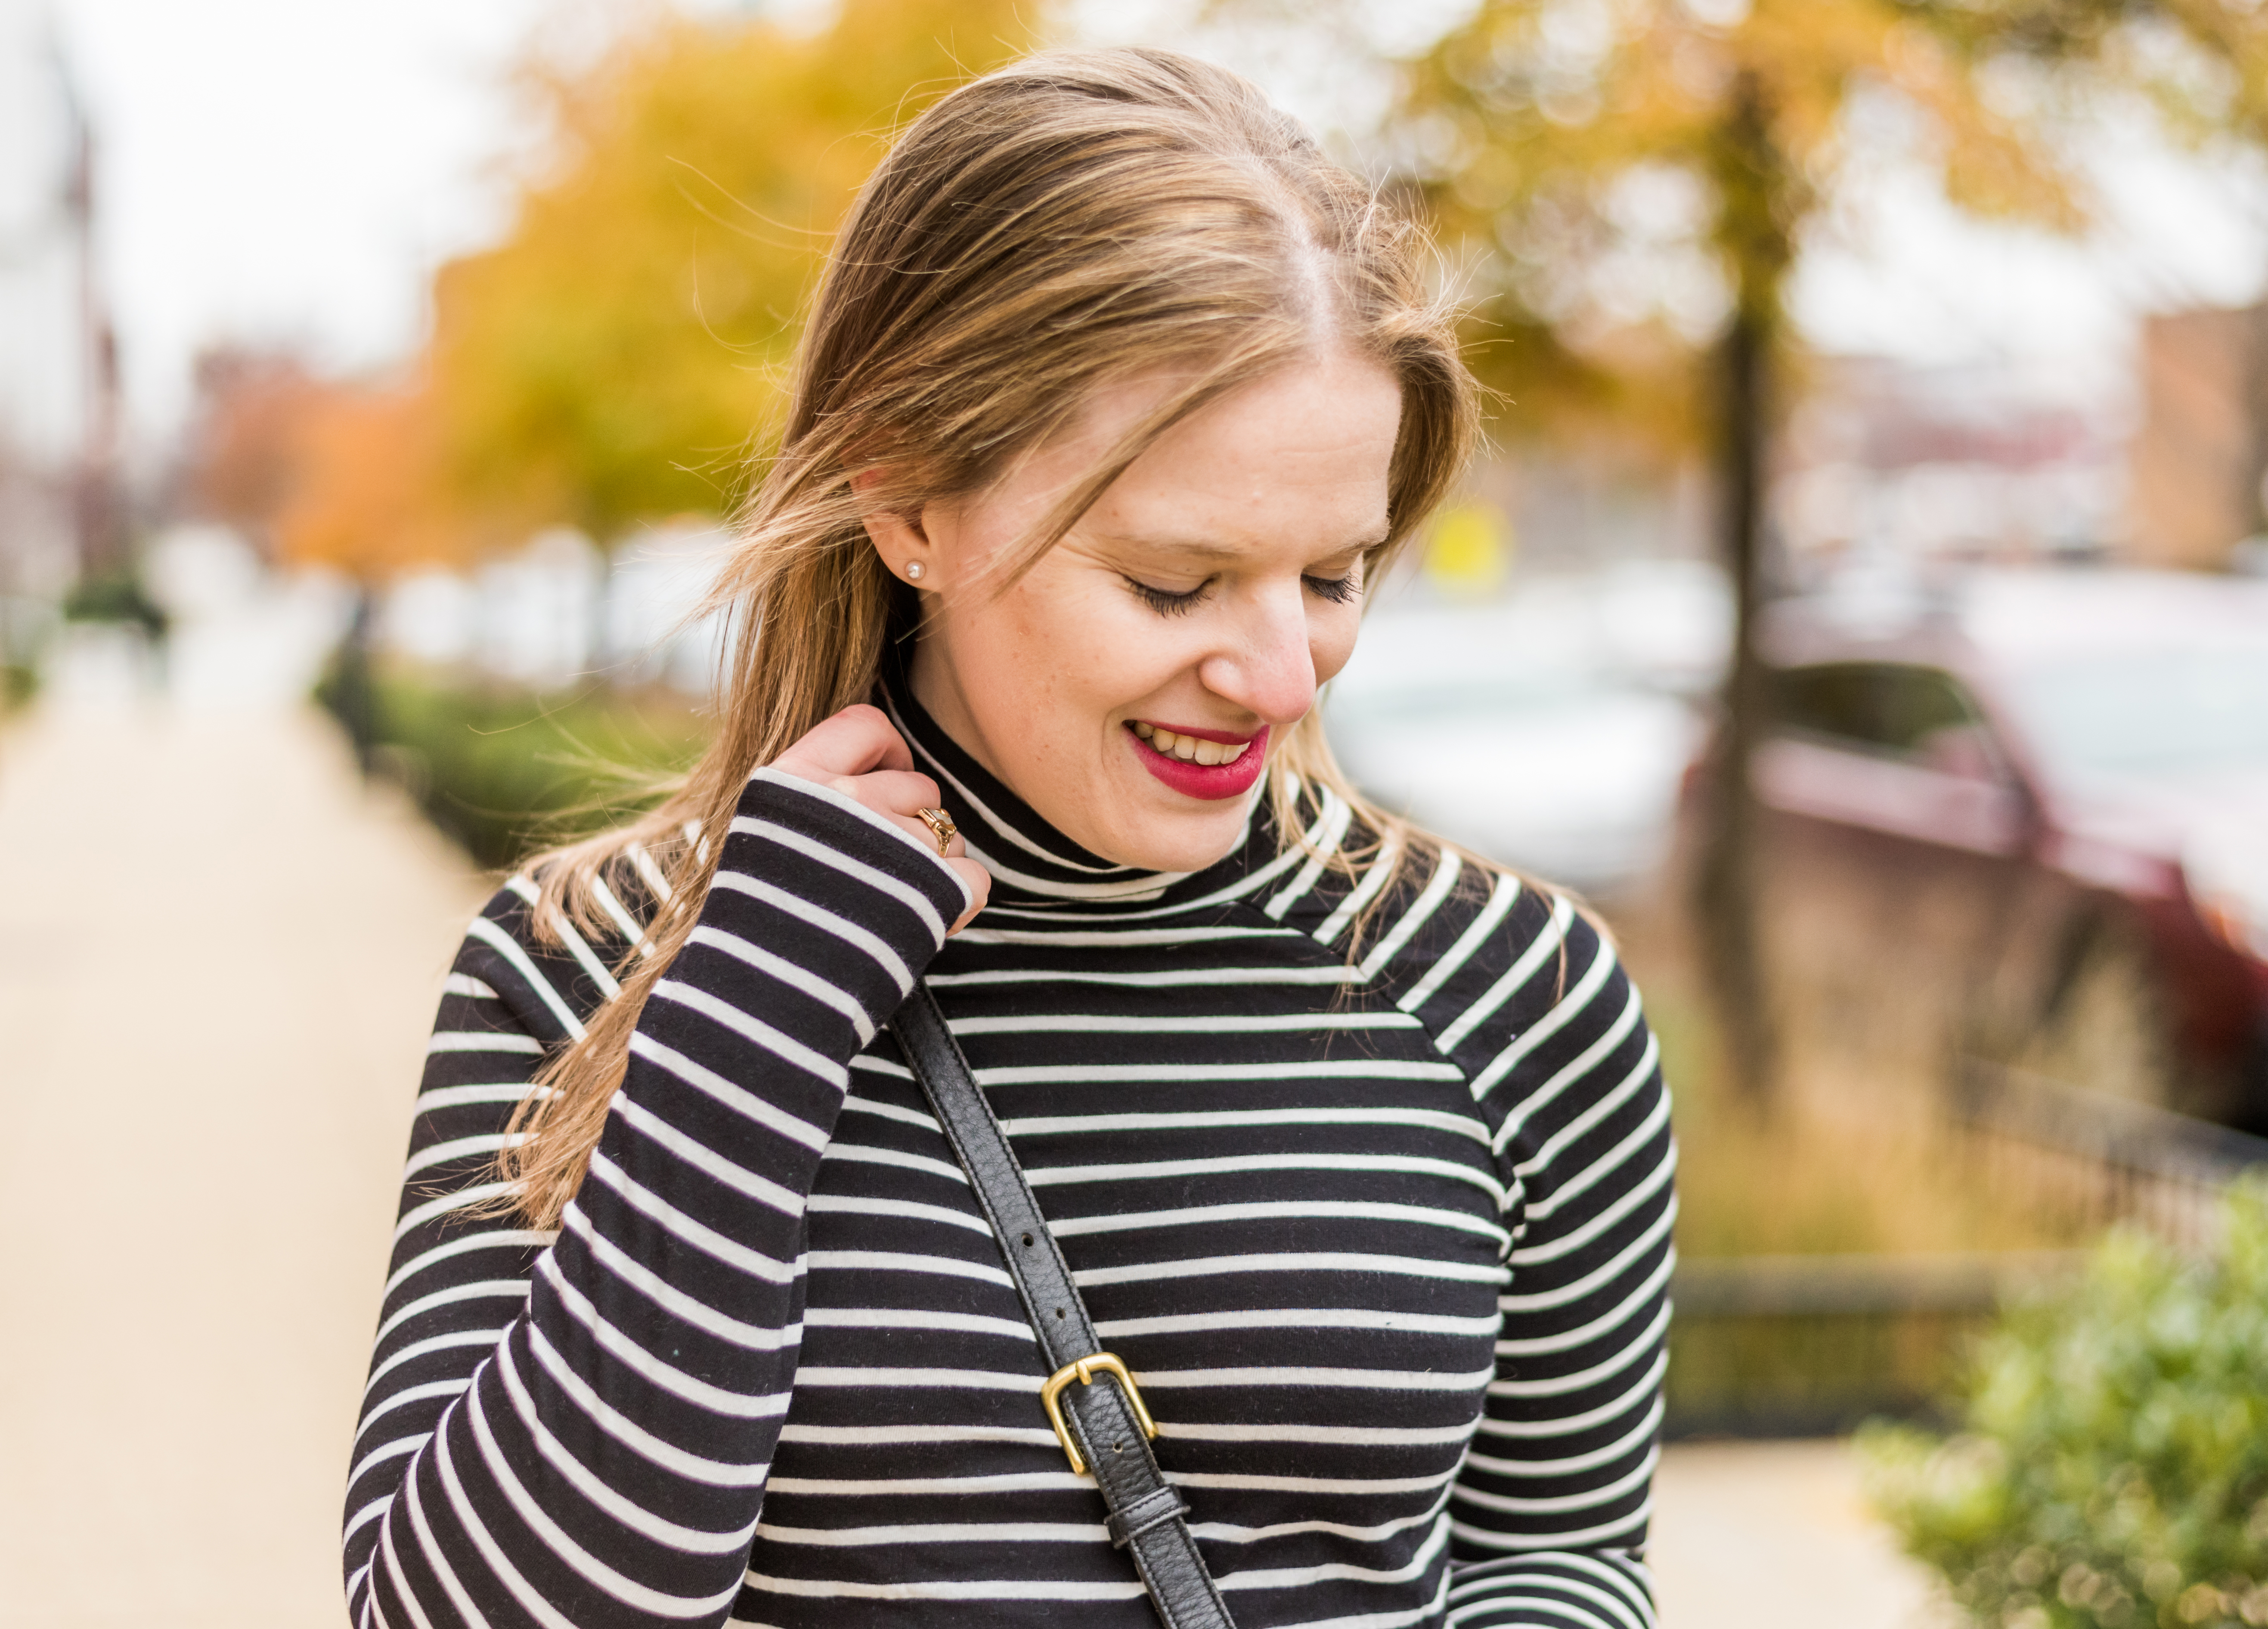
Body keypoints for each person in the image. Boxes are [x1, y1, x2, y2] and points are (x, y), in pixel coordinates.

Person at [344, 46, 1675, 1629]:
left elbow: (1557, 1553)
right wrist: (749, 1015)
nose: (1277, 676)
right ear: (908, 507)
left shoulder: (1511, 988)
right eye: (1172, 582)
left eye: (1331, 576)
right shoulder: (586, 967)